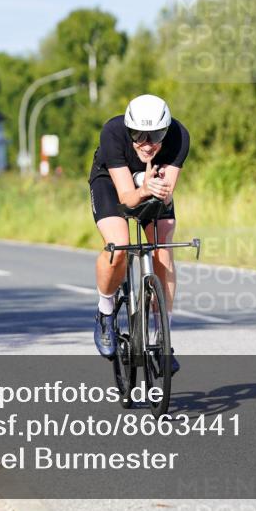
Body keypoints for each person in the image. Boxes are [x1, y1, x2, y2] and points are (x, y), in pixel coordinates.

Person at [88, 94, 189, 373]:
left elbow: (166, 198)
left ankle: (162, 336)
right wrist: (142, 188)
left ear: (166, 130)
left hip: (151, 184)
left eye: (155, 135)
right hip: (112, 183)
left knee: (164, 240)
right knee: (118, 244)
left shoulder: (179, 136)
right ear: (128, 128)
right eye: (138, 134)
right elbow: (126, 198)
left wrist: (156, 188)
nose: (146, 144)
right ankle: (105, 310)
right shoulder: (113, 132)